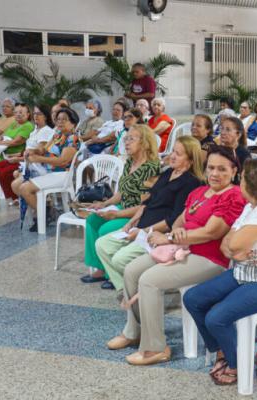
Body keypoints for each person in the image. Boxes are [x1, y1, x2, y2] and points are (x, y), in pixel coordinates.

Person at [106, 146, 246, 366]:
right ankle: (135, 331)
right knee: (132, 271)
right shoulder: (198, 193)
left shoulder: (233, 196)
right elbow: (179, 222)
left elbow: (212, 232)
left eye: (222, 169)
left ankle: (156, 348)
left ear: (234, 171)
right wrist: (167, 234)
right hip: (182, 249)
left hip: (210, 258)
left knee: (149, 281)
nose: (215, 174)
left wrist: (171, 239)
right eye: (211, 168)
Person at [183, 158, 257, 384]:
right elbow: (228, 245)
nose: (239, 181)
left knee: (216, 317)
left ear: (250, 182)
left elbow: (233, 244)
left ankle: (238, 366)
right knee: (193, 298)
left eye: (242, 177)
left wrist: (237, 247)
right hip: (244, 272)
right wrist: (237, 249)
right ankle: (223, 350)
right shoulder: (249, 208)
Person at [95, 137, 204, 292]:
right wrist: (130, 223)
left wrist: (144, 231)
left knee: (119, 259)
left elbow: (173, 220)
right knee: (102, 245)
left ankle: (140, 288)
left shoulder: (191, 183)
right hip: (141, 226)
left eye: (178, 154)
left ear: (191, 160)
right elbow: (148, 202)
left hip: (158, 233)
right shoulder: (168, 173)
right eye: (173, 151)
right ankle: (123, 289)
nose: (172, 156)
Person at [81, 125, 161, 287]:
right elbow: (121, 192)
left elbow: (144, 205)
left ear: (145, 143)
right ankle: (100, 268)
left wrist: (116, 214)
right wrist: (104, 204)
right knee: (92, 220)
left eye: (132, 139)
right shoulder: (130, 162)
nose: (126, 142)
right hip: (122, 208)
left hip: (137, 215)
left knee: (105, 229)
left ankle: (114, 273)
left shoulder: (151, 168)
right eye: (126, 138)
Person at [12, 108, 80, 232]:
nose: (60, 122)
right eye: (58, 119)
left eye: (64, 119)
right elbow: (43, 150)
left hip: (61, 174)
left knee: (24, 188)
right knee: (17, 185)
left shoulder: (72, 138)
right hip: (48, 171)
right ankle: (46, 210)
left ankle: (45, 214)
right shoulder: (57, 135)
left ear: (73, 123)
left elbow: (62, 161)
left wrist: (38, 158)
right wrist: (33, 151)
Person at [0, 103, 34, 204]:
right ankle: (12, 197)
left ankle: (15, 197)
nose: (18, 114)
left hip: (17, 156)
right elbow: (4, 135)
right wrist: (1, 138)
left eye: (21, 112)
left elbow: (16, 142)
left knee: (4, 171)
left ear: (28, 114)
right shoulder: (14, 124)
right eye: (16, 112)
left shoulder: (27, 125)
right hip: (4, 153)